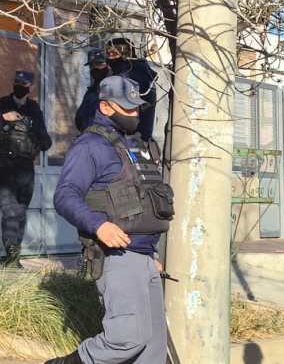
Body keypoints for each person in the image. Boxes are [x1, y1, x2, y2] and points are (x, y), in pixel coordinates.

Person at [48, 76, 174, 364]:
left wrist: (151, 254)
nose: (135, 114)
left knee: (153, 351)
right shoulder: (90, 145)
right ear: (105, 107)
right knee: (126, 339)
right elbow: (65, 196)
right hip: (117, 256)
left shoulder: (137, 145)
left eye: (136, 108)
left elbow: (144, 203)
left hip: (145, 257)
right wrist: (99, 226)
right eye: (127, 108)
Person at [0, 70, 52, 268]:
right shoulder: (0, 105)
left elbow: (45, 140)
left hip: (25, 166)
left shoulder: (34, 109)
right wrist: (3, 119)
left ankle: (15, 253)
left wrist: (33, 135)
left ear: (29, 87)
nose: (20, 86)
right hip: (5, 164)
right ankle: (10, 254)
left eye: (24, 84)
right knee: (10, 210)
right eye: (17, 82)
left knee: (21, 211)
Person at [105, 38, 157, 143]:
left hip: (131, 139)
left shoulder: (134, 73)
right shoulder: (124, 72)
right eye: (108, 53)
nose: (109, 57)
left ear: (126, 53)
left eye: (114, 53)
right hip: (127, 137)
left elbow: (122, 109)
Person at [75, 48, 109, 133]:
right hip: (88, 134)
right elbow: (81, 117)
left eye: (98, 64)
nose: (95, 68)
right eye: (92, 65)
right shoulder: (93, 90)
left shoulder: (114, 86)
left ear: (107, 64)